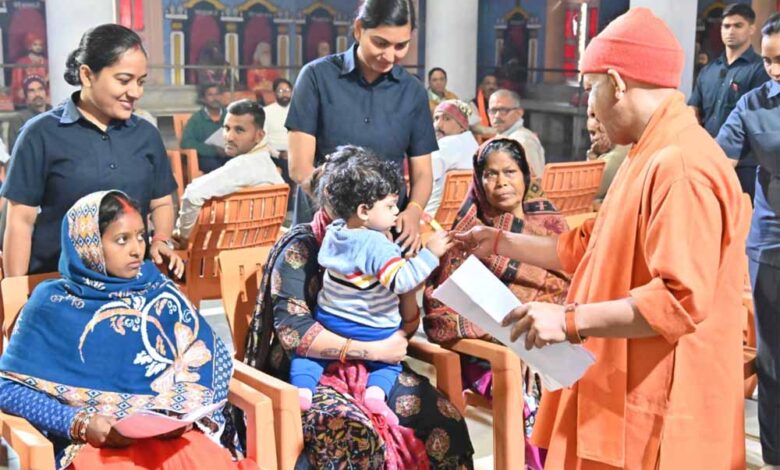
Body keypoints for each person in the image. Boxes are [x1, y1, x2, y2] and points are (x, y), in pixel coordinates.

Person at [458, 9, 748, 468]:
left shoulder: (681, 165)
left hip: (661, 396)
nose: (589, 105)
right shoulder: (647, 152)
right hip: (621, 376)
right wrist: (497, 241)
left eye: (591, 88)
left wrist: (568, 320)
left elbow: (678, 300)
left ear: (616, 82)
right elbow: (587, 248)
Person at [0, 190, 264, 470]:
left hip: (171, 438)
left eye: (140, 236)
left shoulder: (159, 290)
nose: (137, 249)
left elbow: (211, 358)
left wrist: (181, 412)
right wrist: (78, 423)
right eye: (121, 240)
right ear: (88, 245)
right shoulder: (51, 304)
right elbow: (7, 387)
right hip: (93, 446)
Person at [242, 153, 474, 468]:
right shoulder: (301, 247)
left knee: (442, 420)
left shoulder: (379, 242)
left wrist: (404, 267)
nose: (394, 212)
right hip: (312, 365)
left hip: (375, 359)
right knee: (351, 433)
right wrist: (373, 350)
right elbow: (295, 335)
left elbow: (406, 320)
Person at [424, 137, 569, 470]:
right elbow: (442, 314)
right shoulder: (468, 236)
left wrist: (549, 338)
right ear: (478, 180)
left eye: (510, 171)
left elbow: (574, 287)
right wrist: (516, 344)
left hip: (553, 341)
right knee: (534, 396)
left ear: (526, 176)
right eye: (490, 174)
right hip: (489, 355)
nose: (501, 182)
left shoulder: (550, 225)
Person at [1, 24, 180, 277]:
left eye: (140, 82)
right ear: (86, 75)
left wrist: (161, 239)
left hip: (131, 282)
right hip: (59, 282)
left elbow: (161, 202)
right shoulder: (40, 134)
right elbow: (20, 222)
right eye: (124, 80)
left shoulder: (146, 135)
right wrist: (16, 291)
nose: (136, 92)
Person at [291, 147, 452, 423]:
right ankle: (376, 393)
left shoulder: (335, 231)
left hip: (330, 322)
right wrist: (430, 254)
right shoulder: (377, 244)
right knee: (390, 365)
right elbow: (401, 281)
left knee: (305, 359)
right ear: (364, 211)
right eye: (390, 206)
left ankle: (303, 389)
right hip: (374, 331)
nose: (396, 211)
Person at [286, 0, 437, 256]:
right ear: (358, 29)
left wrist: (413, 211)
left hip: (385, 233)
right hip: (324, 227)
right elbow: (300, 169)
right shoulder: (316, 77)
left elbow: (422, 172)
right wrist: (348, 218)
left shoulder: (412, 92)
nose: (390, 56)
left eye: (401, 46)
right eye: (380, 43)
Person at [716, 13, 780, 469]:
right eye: (770, 60)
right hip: (772, 240)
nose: (775, 70)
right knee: (774, 357)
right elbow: (718, 160)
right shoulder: (754, 104)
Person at [689, 3, 769, 199]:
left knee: (742, 216)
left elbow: (758, 121)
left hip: (744, 167)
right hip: (706, 161)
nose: (730, 31)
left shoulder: (760, 71)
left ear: (751, 29)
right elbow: (693, 110)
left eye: (738, 25)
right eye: (726, 26)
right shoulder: (708, 71)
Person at [175, 99, 284, 241]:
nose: (229, 137)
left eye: (239, 130)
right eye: (226, 128)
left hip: (224, 246)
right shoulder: (267, 163)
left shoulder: (242, 165)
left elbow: (192, 194)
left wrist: (183, 237)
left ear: (259, 136)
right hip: (257, 245)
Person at [425, 99, 478, 215]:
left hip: (432, 215)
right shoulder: (472, 143)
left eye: (447, 119)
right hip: (462, 215)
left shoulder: (448, 143)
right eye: (436, 118)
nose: (438, 125)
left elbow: (424, 175)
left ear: (462, 126)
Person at [490, 89, 545, 177]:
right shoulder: (503, 137)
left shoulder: (522, 141)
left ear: (519, 112)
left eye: (503, 110)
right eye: (493, 111)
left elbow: (534, 180)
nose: (497, 116)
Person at [586, 107, 629, 204]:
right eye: (592, 133)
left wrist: (592, 155)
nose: (595, 138)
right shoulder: (610, 151)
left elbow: (589, 190)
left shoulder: (619, 152)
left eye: (601, 131)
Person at [181, 84, 228, 174]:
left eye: (217, 94)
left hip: (229, 154)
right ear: (203, 99)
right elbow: (186, 143)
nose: (215, 98)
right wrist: (214, 150)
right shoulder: (196, 119)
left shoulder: (230, 116)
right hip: (206, 157)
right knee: (214, 167)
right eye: (210, 95)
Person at [7, 75, 51, 152]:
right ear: (26, 95)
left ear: (45, 92)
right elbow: (16, 151)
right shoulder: (19, 119)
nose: (37, 94)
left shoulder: (57, 115)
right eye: (31, 91)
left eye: (40, 89)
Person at [11, 32, 48, 108]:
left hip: (44, 96)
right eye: (35, 44)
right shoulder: (21, 62)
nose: (38, 47)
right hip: (26, 97)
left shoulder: (46, 62)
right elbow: (17, 82)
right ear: (29, 45)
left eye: (40, 45)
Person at [263, 78, 292, 156]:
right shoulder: (266, 112)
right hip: (274, 154)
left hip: (295, 153)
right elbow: (263, 140)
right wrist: (277, 154)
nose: (285, 94)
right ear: (274, 93)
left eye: (287, 90)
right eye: (280, 91)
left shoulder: (297, 111)